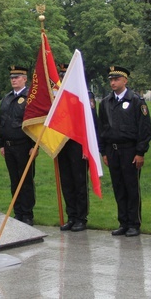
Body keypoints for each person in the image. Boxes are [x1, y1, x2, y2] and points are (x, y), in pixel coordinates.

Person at [98, 65, 151, 237]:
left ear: (125, 80)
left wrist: (140, 152)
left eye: (116, 79)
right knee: (118, 187)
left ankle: (134, 223)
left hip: (130, 150)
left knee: (131, 187)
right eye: (111, 80)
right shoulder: (106, 102)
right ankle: (123, 222)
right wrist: (104, 152)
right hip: (112, 150)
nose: (113, 82)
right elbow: (102, 128)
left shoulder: (136, 100)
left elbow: (144, 129)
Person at [0, 65, 35, 225]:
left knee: (25, 180)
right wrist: (1, 143)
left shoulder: (29, 97)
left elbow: (34, 124)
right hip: (9, 145)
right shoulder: (6, 98)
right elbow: (1, 122)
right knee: (14, 180)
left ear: (25, 79)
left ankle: (27, 214)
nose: (13, 80)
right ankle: (18, 212)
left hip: (24, 145)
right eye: (12, 77)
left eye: (17, 77)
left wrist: (34, 145)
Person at [57, 64, 91, 232]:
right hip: (62, 144)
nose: (63, 78)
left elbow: (90, 125)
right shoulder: (58, 95)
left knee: (79, 182)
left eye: (66, 75)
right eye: (62, 75)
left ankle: (81, 217)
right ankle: (71, 215)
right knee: (67, 182)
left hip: (78, 144)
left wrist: (87, 147)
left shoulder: (83, 95)